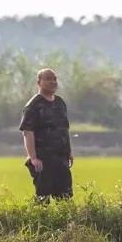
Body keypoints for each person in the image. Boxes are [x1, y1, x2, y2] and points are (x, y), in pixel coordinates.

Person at [18, 68, 73, 201]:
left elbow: (64, 129)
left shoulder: (60, 103)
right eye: (48, 79)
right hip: (43, 160)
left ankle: (65, 222)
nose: (52, 82)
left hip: (61, 159)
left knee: (65, 197)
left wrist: (69, 152)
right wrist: (33, 158)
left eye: (54, 79)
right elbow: (27, 132)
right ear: (39, 82)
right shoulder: (34, 105)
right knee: (43, 198)